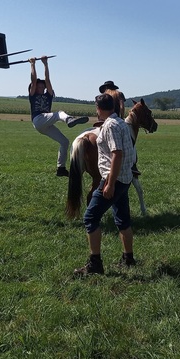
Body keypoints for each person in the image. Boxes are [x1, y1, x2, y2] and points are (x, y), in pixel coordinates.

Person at [74, 93, 137, 276]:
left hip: (113, 180)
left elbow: (117, 154)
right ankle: (128, 259)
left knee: (90, 218)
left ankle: (95, 265)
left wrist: (110, 184)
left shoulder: (110, 126)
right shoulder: (121, 123)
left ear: (99, 108)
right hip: (125, 178)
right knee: (123, 220)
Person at [28, 57, 88, 176]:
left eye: (43, 86)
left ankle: (61, 168)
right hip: (38, 119)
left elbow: (48, 80)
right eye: (39, 86)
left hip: (45, 124)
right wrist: (32, 64)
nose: (41, 87)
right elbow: (33, 80)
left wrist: (45, 64)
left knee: (64, 142)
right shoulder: (33, 95)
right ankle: (69, 119)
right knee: (58, 113)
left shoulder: (49, 95)